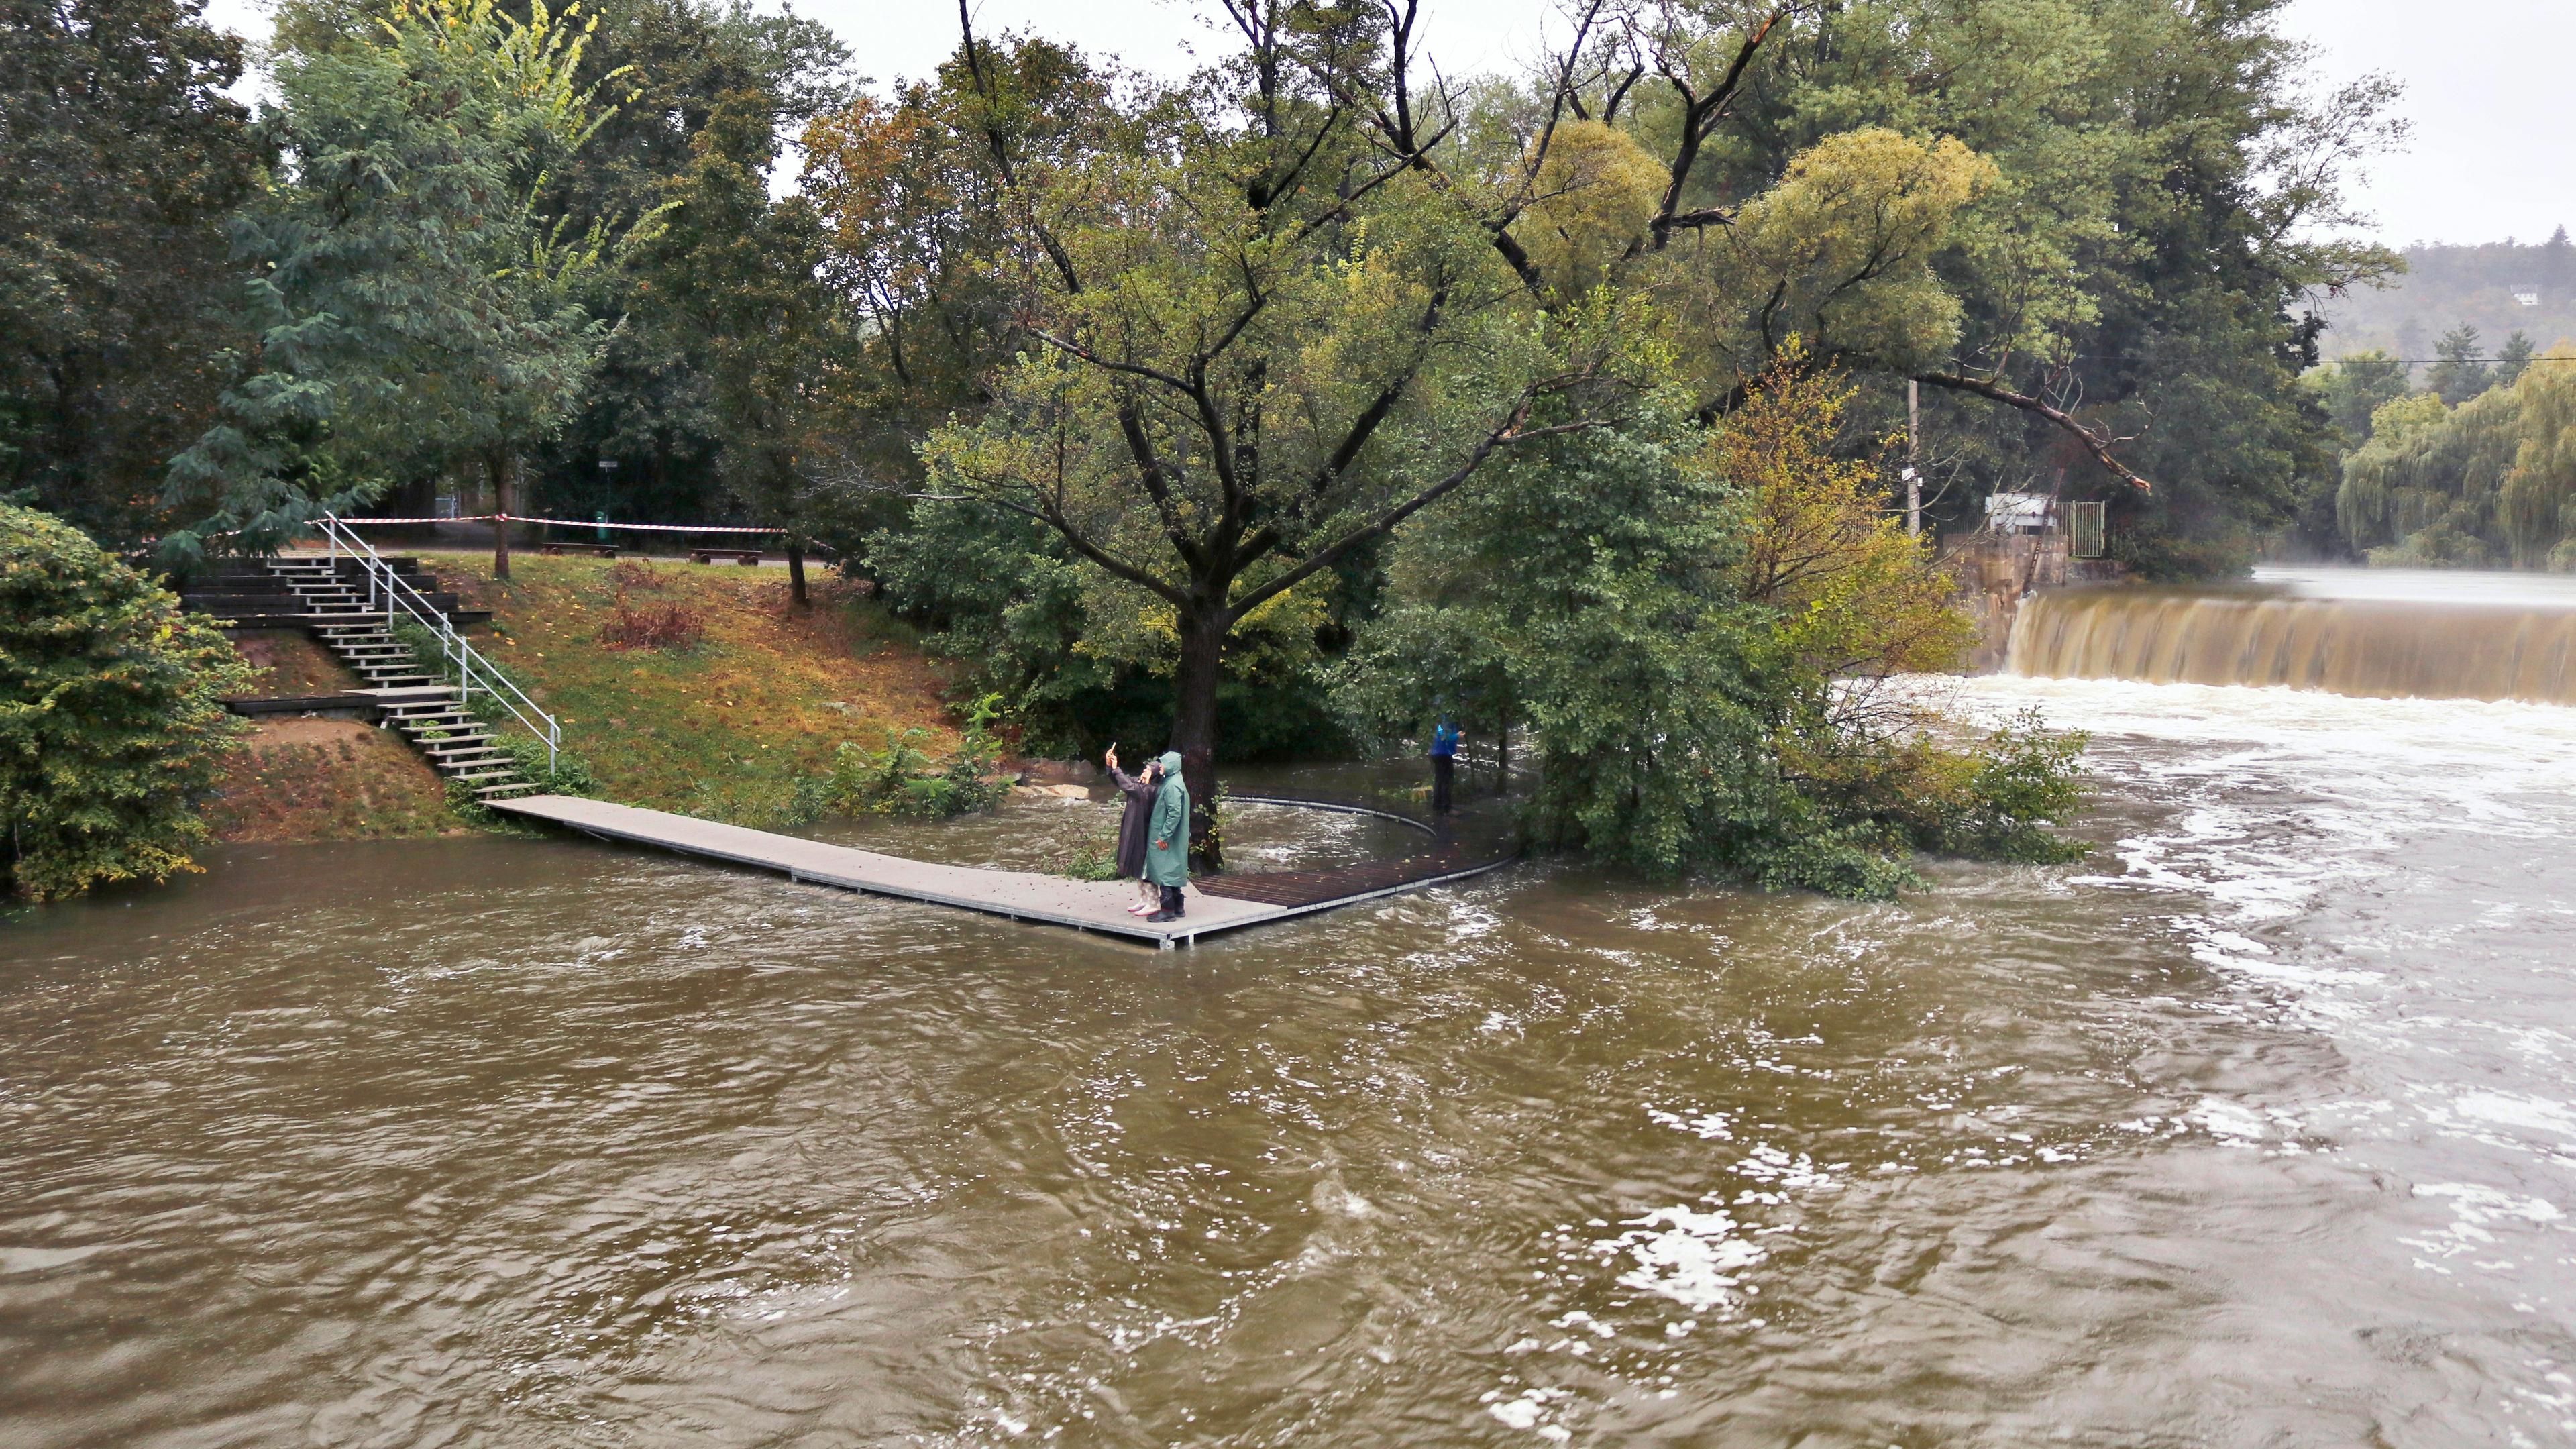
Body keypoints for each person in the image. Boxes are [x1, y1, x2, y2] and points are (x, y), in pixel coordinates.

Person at [1104, 745, 1161, 916]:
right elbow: (1122, 781)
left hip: (1143, 832)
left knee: (1145, 868)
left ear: (1156, 775)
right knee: (1137, 865)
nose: (1144, 772)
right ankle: (1144, 900)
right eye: (1145, 769)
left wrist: (1116, 768)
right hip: (1133, 828)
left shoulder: (1150, 790)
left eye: (1149, 771)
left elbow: (1128, 786)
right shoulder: (1140, 783)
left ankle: (1153, 902)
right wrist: (1110, 766)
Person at [1143, 750, 1191, 922]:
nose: (1160, 767)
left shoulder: (1172, 786)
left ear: (1171, 766)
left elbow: (1174, 814)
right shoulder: (1175, 780)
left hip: (1166, 837)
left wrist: (1163, 836)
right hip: (1174, 837)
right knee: (1173, 868)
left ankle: (1167, 911)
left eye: (1163, 764)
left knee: (1165, 870)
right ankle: (1178, 907)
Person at [1429, 717, 1460, 814]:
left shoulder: (1439, 719)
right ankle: (1446, 808)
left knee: (1439, 780)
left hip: (1436, 753)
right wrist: (1457, 735)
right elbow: (1443, 737)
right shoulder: (1446, 721)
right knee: (1447, 781)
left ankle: (1437, 806)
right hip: (1443, 753)